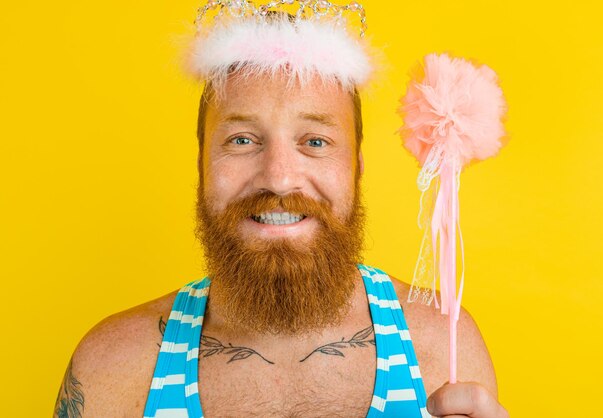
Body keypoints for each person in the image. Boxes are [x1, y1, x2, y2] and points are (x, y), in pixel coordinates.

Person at [54, 3, 509, 417]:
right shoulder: (113, 369)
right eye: (242, 140)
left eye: (315, 141)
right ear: (200, 165)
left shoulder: (441, 351)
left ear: (357, 168)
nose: (278, 177)